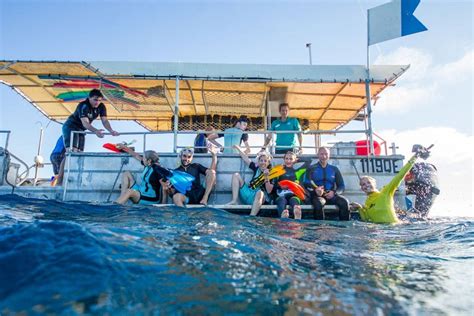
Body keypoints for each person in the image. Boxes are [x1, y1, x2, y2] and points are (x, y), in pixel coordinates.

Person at [350, 145, 432, 224]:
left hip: (394, 229)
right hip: (380, 233)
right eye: (363, 184)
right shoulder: (367, 203)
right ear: (362, 188)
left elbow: (400, 175)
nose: (366, 185)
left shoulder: (386, 192)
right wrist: (360, 208)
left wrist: (415, 156)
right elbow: (367, 219)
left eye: (368, 182)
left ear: (374, 184)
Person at [302, 147, 350, 220]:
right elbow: (306, 183)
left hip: (331, 195)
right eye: (321, 154)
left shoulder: (334, 169)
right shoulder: (311, 168)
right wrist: (315, 190)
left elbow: (341, 186)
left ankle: (345, 227)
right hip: (318, 196)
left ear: (329, 155)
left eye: (326, 154)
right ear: (318, 155)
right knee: (318, 203)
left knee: (344, 202)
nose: (324, 156)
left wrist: (334, 192)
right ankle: (320, 228)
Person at [226, 145, 274, 216]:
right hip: (248, 193)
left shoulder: (271, 173)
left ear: (268, 163)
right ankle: (234, 200)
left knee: (260, 192)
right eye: (261, 160)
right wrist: (238, 148)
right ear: (258, 161)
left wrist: (266, 177)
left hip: (258, 198)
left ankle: (251, 216)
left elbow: (269, 191)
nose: (263, 162)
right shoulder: (256, 167)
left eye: (265, 161)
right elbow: (246, 159)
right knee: (236, 175)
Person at [272, 151, 312, 219]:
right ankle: (283, 216)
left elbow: (309, 160)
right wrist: (280, 186)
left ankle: (296, 216)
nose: (288, 161)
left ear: (294, 160)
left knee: (293, 200)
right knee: (282, 200)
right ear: (284, 160)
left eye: (291, 159)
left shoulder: (297, 172)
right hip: (281, 195)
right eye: (286, 159)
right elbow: (273, 185)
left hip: (294, 194)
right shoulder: (278, 172)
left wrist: (297, 160)